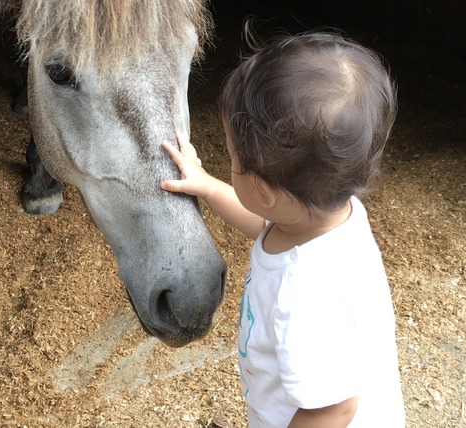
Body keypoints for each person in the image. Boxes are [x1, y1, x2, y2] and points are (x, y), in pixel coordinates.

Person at [161, 31, 405, 428]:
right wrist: (206, 184)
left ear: (266, 190)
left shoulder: (304, 296)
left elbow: (334, 409)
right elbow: (264, 223)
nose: (229, 162)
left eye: (232, 158)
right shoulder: (328, 217)